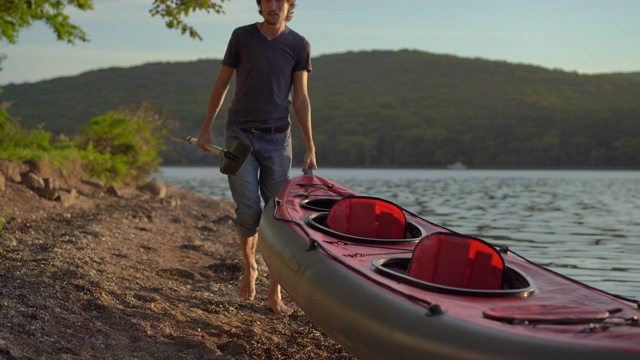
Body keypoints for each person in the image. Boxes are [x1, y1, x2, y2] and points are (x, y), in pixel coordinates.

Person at [196, 0, 317, 316]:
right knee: (249, 211)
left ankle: (274, 292)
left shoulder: (298, 45)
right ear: (260, 5)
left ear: (289, 4)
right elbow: (222, 84)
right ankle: (250, 265)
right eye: (267, 0)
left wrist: (311, 147)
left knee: (276, 215)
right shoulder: (241, 37)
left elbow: (301, 99)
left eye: (280, 0)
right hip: (239, 136)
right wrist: (206, 129)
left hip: (278, 139)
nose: (273, 5)